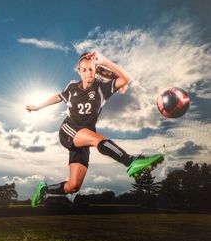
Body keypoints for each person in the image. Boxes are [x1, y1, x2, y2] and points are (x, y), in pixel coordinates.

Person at [26, 51, 164, 207]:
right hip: (69, 130)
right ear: (79, 71)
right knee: (97, 138)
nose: (87, 73)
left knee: (74, 186)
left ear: (96, 69)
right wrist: (38, 107)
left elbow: (126, 79)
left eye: (91, 69)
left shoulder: (102, 88)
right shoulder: (72, 87)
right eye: (83, 70)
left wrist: (104, 61)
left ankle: (44, 190)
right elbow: (58, 97)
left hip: (84, 138)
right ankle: (131, 161)